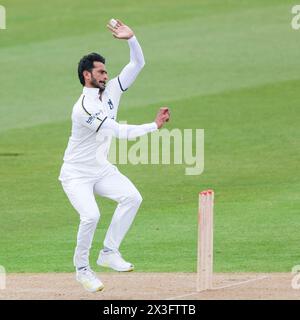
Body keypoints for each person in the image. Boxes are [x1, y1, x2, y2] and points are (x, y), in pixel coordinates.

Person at [58, 19, 170, 292]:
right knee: (91, 216)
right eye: (101, 72)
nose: (106, 76)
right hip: (76, 174)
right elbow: (117, 131)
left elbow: (137, 65)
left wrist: (132, 39)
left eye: (107, 72)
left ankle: (108, 252)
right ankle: (82, 270)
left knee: (132, 197)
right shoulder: (84, 107)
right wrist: (153, 126)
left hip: (100, 168)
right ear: (87, 75)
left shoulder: (111, 91)